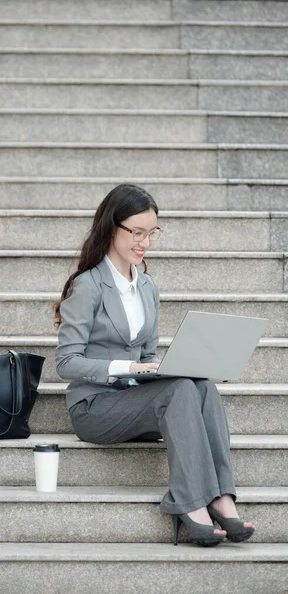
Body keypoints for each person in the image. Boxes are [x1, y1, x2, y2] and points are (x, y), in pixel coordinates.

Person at [55, 183, 255, 546]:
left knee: (202, 386)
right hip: (95, 408)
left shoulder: (148, 288)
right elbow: (67, 362)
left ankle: (221, 498)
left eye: (151, 233)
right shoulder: (88, 286)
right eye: (136, 232)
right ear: (112, 228)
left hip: (138, 404)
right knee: (179, 391)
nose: (144, 242)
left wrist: (165, 366)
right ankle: (188, 504)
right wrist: (130, 369)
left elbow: (146, 355)